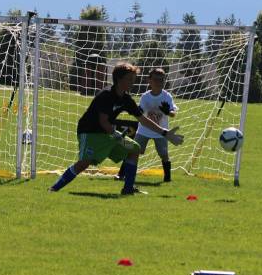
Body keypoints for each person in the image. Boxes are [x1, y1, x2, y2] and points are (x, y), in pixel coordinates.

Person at [50, 62, 184, 194]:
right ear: (119, 79)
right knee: (84, 164)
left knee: (135, 148)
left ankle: (128, 189)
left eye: (133, 79)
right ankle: (54, 189)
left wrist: (165, 133)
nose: (132, 82)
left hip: (109, 133)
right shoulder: (106, 95)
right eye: (130, 79)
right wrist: (115, 134)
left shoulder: (126, 99)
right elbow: (103, 121)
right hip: (90, 132)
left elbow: (143, 119)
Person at [124, 68, 178, 183]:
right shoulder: (145, 96)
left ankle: (167, 178)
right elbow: (140, 112)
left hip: (161, 131)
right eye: (156, 79)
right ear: (149, 81)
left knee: (164, 154)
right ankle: (122, 174)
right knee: (135, 151)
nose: (159, 82)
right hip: (144, 130)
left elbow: (173, 113)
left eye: (161, 80)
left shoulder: (167, 96)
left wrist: (168, 112)